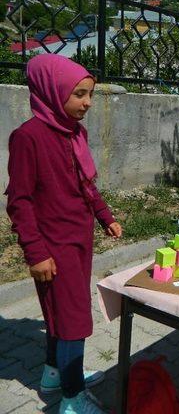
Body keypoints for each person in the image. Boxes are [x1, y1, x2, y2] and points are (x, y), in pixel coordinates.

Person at [5, 54, 122, 414]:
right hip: (52, 245)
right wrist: (35, 253)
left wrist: (104, 216)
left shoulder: (73, 131)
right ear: (52, 93)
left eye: (89, 94)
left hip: (78, 239)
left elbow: (85, 184)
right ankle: (72, 400)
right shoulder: (29, 137)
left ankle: (55, 375)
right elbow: (20, 202)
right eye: (80, 95)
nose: (87, 103)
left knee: (61, 313)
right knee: (73, 320)